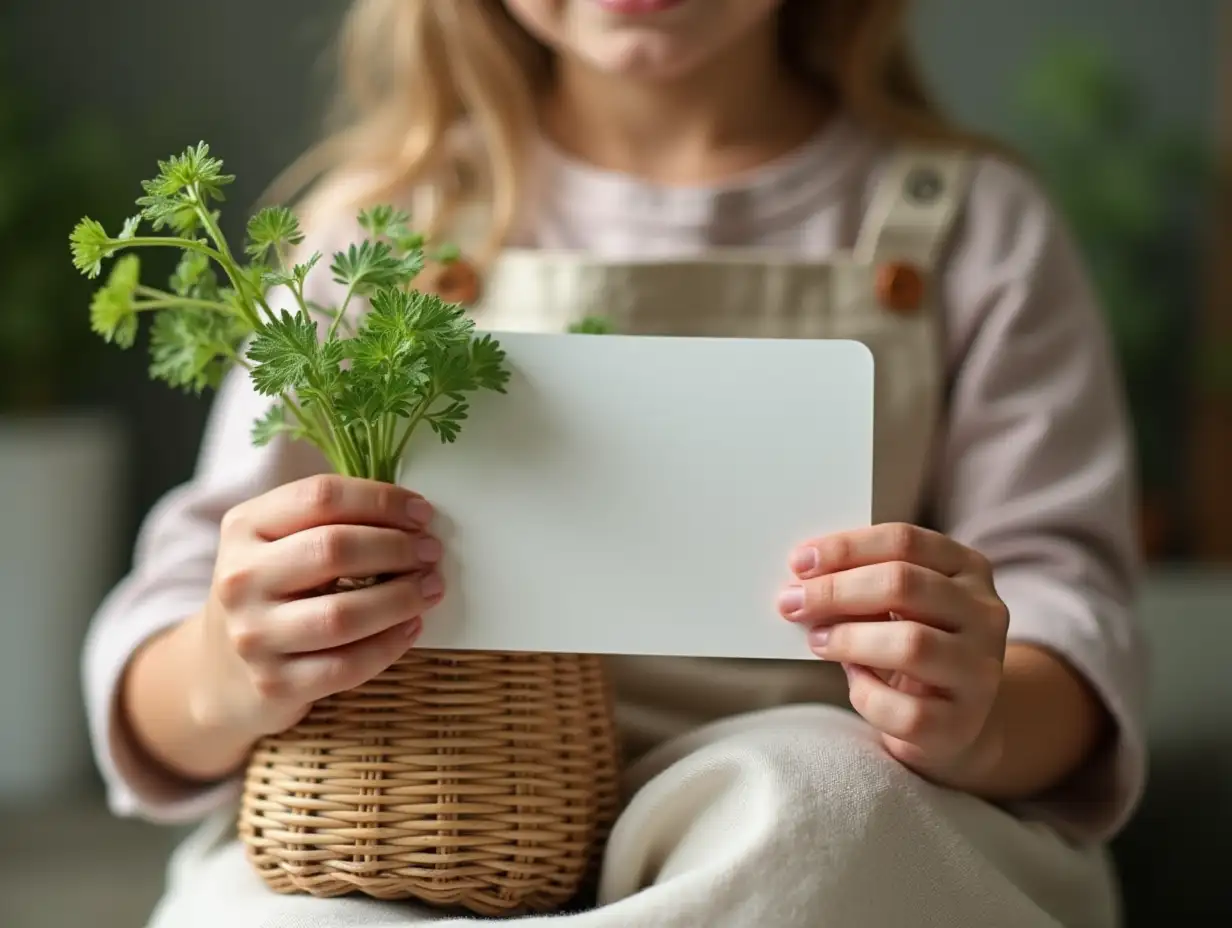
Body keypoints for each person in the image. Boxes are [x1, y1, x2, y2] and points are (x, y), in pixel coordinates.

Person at [83, 1, 1148, 925]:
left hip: (791, 777)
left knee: (825, 810)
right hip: (429, 795)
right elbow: (171, 630)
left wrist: (982, 711)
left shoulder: (975, 229)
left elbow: (1067, 607)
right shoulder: (377, 224)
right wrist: (229, 667)